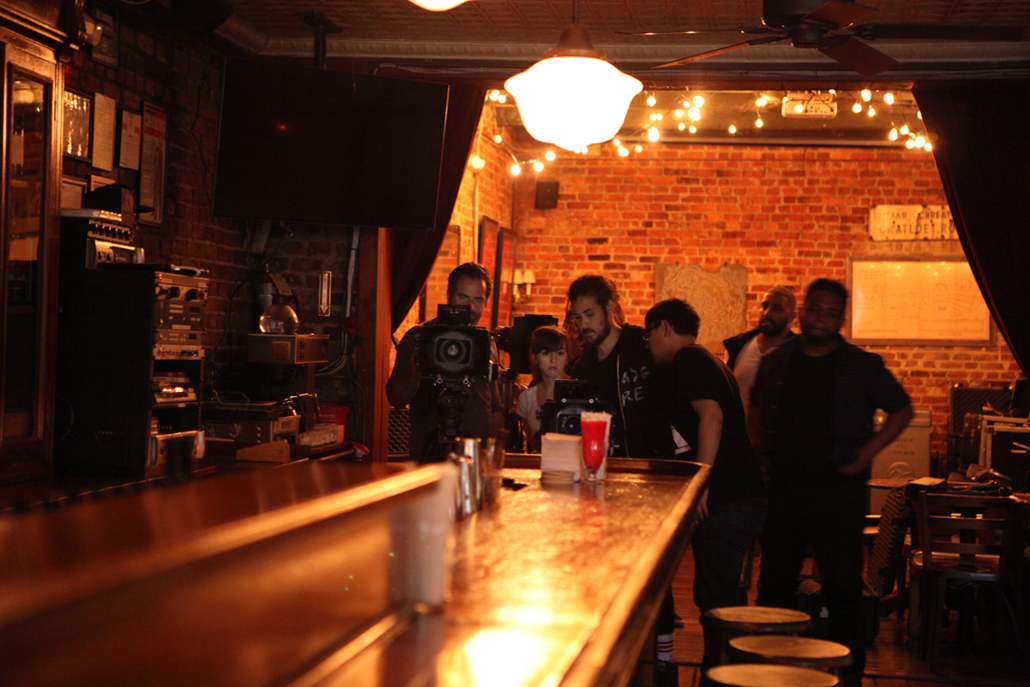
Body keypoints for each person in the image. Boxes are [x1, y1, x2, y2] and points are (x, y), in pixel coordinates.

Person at [750, 278, 913, 685]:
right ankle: (769, 670)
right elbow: (754, 408)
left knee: (842, 588)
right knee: (774, 584)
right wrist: (760, 457)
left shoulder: (861, 366)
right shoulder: (777, 361)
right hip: (785, 489)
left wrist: (866, 455)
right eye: (814, 309)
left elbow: (901, 410)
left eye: (829, 312)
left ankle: (847, 676)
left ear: (840, 319)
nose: (820, 318)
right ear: (802, 311)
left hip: (838, 492)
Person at [645, 298, 767, 672]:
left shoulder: (690, 360)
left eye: (649, 335)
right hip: (738, 494)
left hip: (729, 497)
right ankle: (724, 672)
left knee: (719, 599)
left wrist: (701, 481)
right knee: (717, 593)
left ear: (665, 328)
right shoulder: (710, 359)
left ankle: (727, 675)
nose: (649, 345)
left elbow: (710, 418)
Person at [386, 263, 504, 462]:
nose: (471, 307)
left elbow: (494, 405)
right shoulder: (420, 337)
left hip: (474, 455)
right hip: (428, 454)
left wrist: (492, 455)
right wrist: (414, 376)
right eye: (463, 297)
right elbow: (395, 398)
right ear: (449, 296)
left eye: (478, 300)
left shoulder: (486, 342)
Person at [566, 275, 669, 458]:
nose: (584, 324)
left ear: (610, 307)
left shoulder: (642, 344)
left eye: (590, 314)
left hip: (652, 464)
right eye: (578, 317)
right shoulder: (583, 367)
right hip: (605, 466)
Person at [722, 286, 797, 415]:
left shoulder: (796, 354)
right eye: (765, 306)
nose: (767, 313)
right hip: (738, 432)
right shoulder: (738, 347)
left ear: (791, 316)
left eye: (777, 309)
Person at [516, 325, 569, 453]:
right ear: (535, 357)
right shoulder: (527, 398)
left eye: (560, 353)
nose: (553, 360)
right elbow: (533, 446)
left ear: (567, 357)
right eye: (545, 353)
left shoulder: (581, 391)